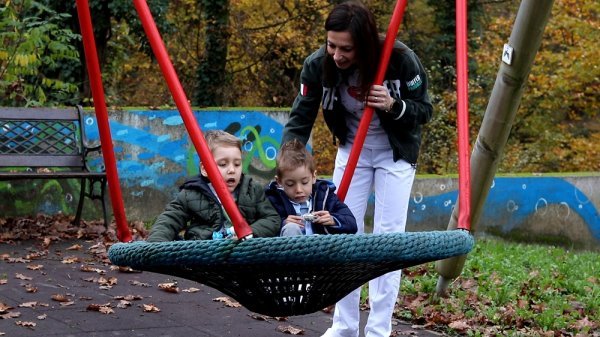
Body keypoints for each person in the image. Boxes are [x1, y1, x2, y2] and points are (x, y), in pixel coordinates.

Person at [281, 1, 433, 336]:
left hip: (395, 153)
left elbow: (424, 111)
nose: (336, 54)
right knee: (342, 233)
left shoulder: (400, 58)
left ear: (363, 43)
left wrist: (394, 106)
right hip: (352, 151)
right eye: (331, 44)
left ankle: (379, 329)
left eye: (346, 48)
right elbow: (300, 117)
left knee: (387, 240)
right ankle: (344, 326)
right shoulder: (318, 65)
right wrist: (288, 162)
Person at [146, 130, 280, 242]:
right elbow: (169, 220)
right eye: (223, 164)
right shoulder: (192, 193)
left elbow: (272, 219)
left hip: (243, 250)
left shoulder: (251, 190)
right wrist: (155, 245)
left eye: (237, 164)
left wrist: (252, 232)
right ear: (205, 169)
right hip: (204, 252)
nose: (232, 170)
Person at [265, 139, 357, 236]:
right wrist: (282, 223)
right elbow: (262, 227)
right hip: (290, 249)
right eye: (290, 184)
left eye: (304, 182)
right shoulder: (273, 200)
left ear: (313, 177)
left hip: (321, 248)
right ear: (279, 182)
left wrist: (333, 220)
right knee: (291, 228)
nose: (299, 190)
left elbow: (352, 223)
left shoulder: (325, 195)